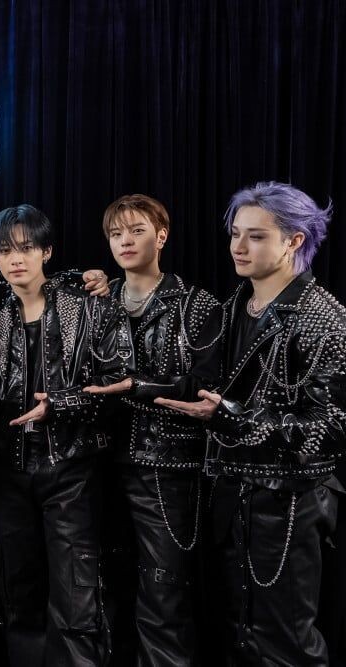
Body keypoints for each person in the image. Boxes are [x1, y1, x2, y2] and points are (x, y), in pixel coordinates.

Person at [157, 182, 346, 665]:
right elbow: (200, 384)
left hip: (288, 501)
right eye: (235, 233)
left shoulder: (323, 316)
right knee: (237, 637)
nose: (238, 247)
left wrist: (235, 420)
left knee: (286, 642)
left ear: (294, 240)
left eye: (256, 236)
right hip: (230, 495)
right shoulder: (234, 307)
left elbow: (330, 428)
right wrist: (135, 387)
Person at [82, 194, 222, 666]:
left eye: (137, 230)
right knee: (104, 584)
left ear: (161, 237)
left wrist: (137, 386)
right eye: (116, 233)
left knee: (164, 587)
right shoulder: (96, 301)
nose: (125, 240)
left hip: (167, 464)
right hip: (99, 460)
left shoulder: (196, 304)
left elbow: (206, 384)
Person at [0, 204, 129, 666]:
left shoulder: (89, 307)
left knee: (76, 598)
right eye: (4, 250)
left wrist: (59, 404)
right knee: (18, 594)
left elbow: (119, 384)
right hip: (10, 470)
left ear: (46, 251)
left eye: (27, 247)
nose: (15, 259)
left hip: (71, 468)